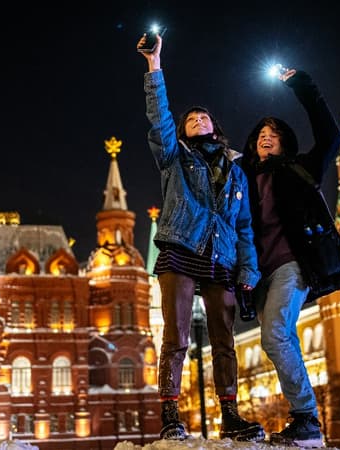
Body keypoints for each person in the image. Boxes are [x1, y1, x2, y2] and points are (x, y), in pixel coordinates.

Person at [137, 32, 265, 442]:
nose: (196, 120)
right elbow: (159, 120)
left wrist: (248, 269)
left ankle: (230, 416)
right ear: (184, 131)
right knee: (176, 335)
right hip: (180, 251)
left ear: (214, 126)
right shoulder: (175, 157)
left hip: (221, 259)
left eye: (202, 117)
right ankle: (171, 414)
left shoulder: (236, 170)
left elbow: (244, 226)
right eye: (189, 119)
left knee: (224, 341)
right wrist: (155, 67)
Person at [241, 67, 340, 447]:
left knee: (274, 334)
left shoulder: (299, 169)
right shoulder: (241, 177)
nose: (266, 137)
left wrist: (303, 85)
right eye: (261, 134)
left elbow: (327, 135)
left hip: (292, 265)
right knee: (278, 338)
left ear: (284, 143)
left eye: (274, 134)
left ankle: (307, 418)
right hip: (258, 275)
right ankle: (305, 420)